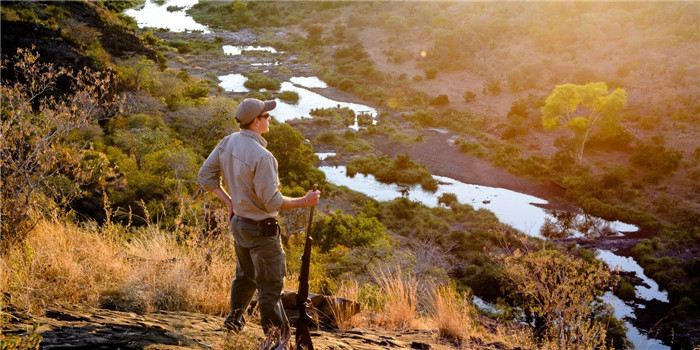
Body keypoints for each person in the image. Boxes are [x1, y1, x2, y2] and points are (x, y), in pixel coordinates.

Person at [198, 98, 321, 335]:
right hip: (261, 230)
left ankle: (234, 323)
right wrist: (305, 202)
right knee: (271, 288)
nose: (270, 118)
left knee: (244, 277)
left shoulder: (228, 142)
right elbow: (272, 202)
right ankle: (277, 339)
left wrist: (230, 202)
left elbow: (206, 177)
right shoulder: (263, 156)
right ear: (256, 122)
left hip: (239, 225)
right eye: (266, 116)